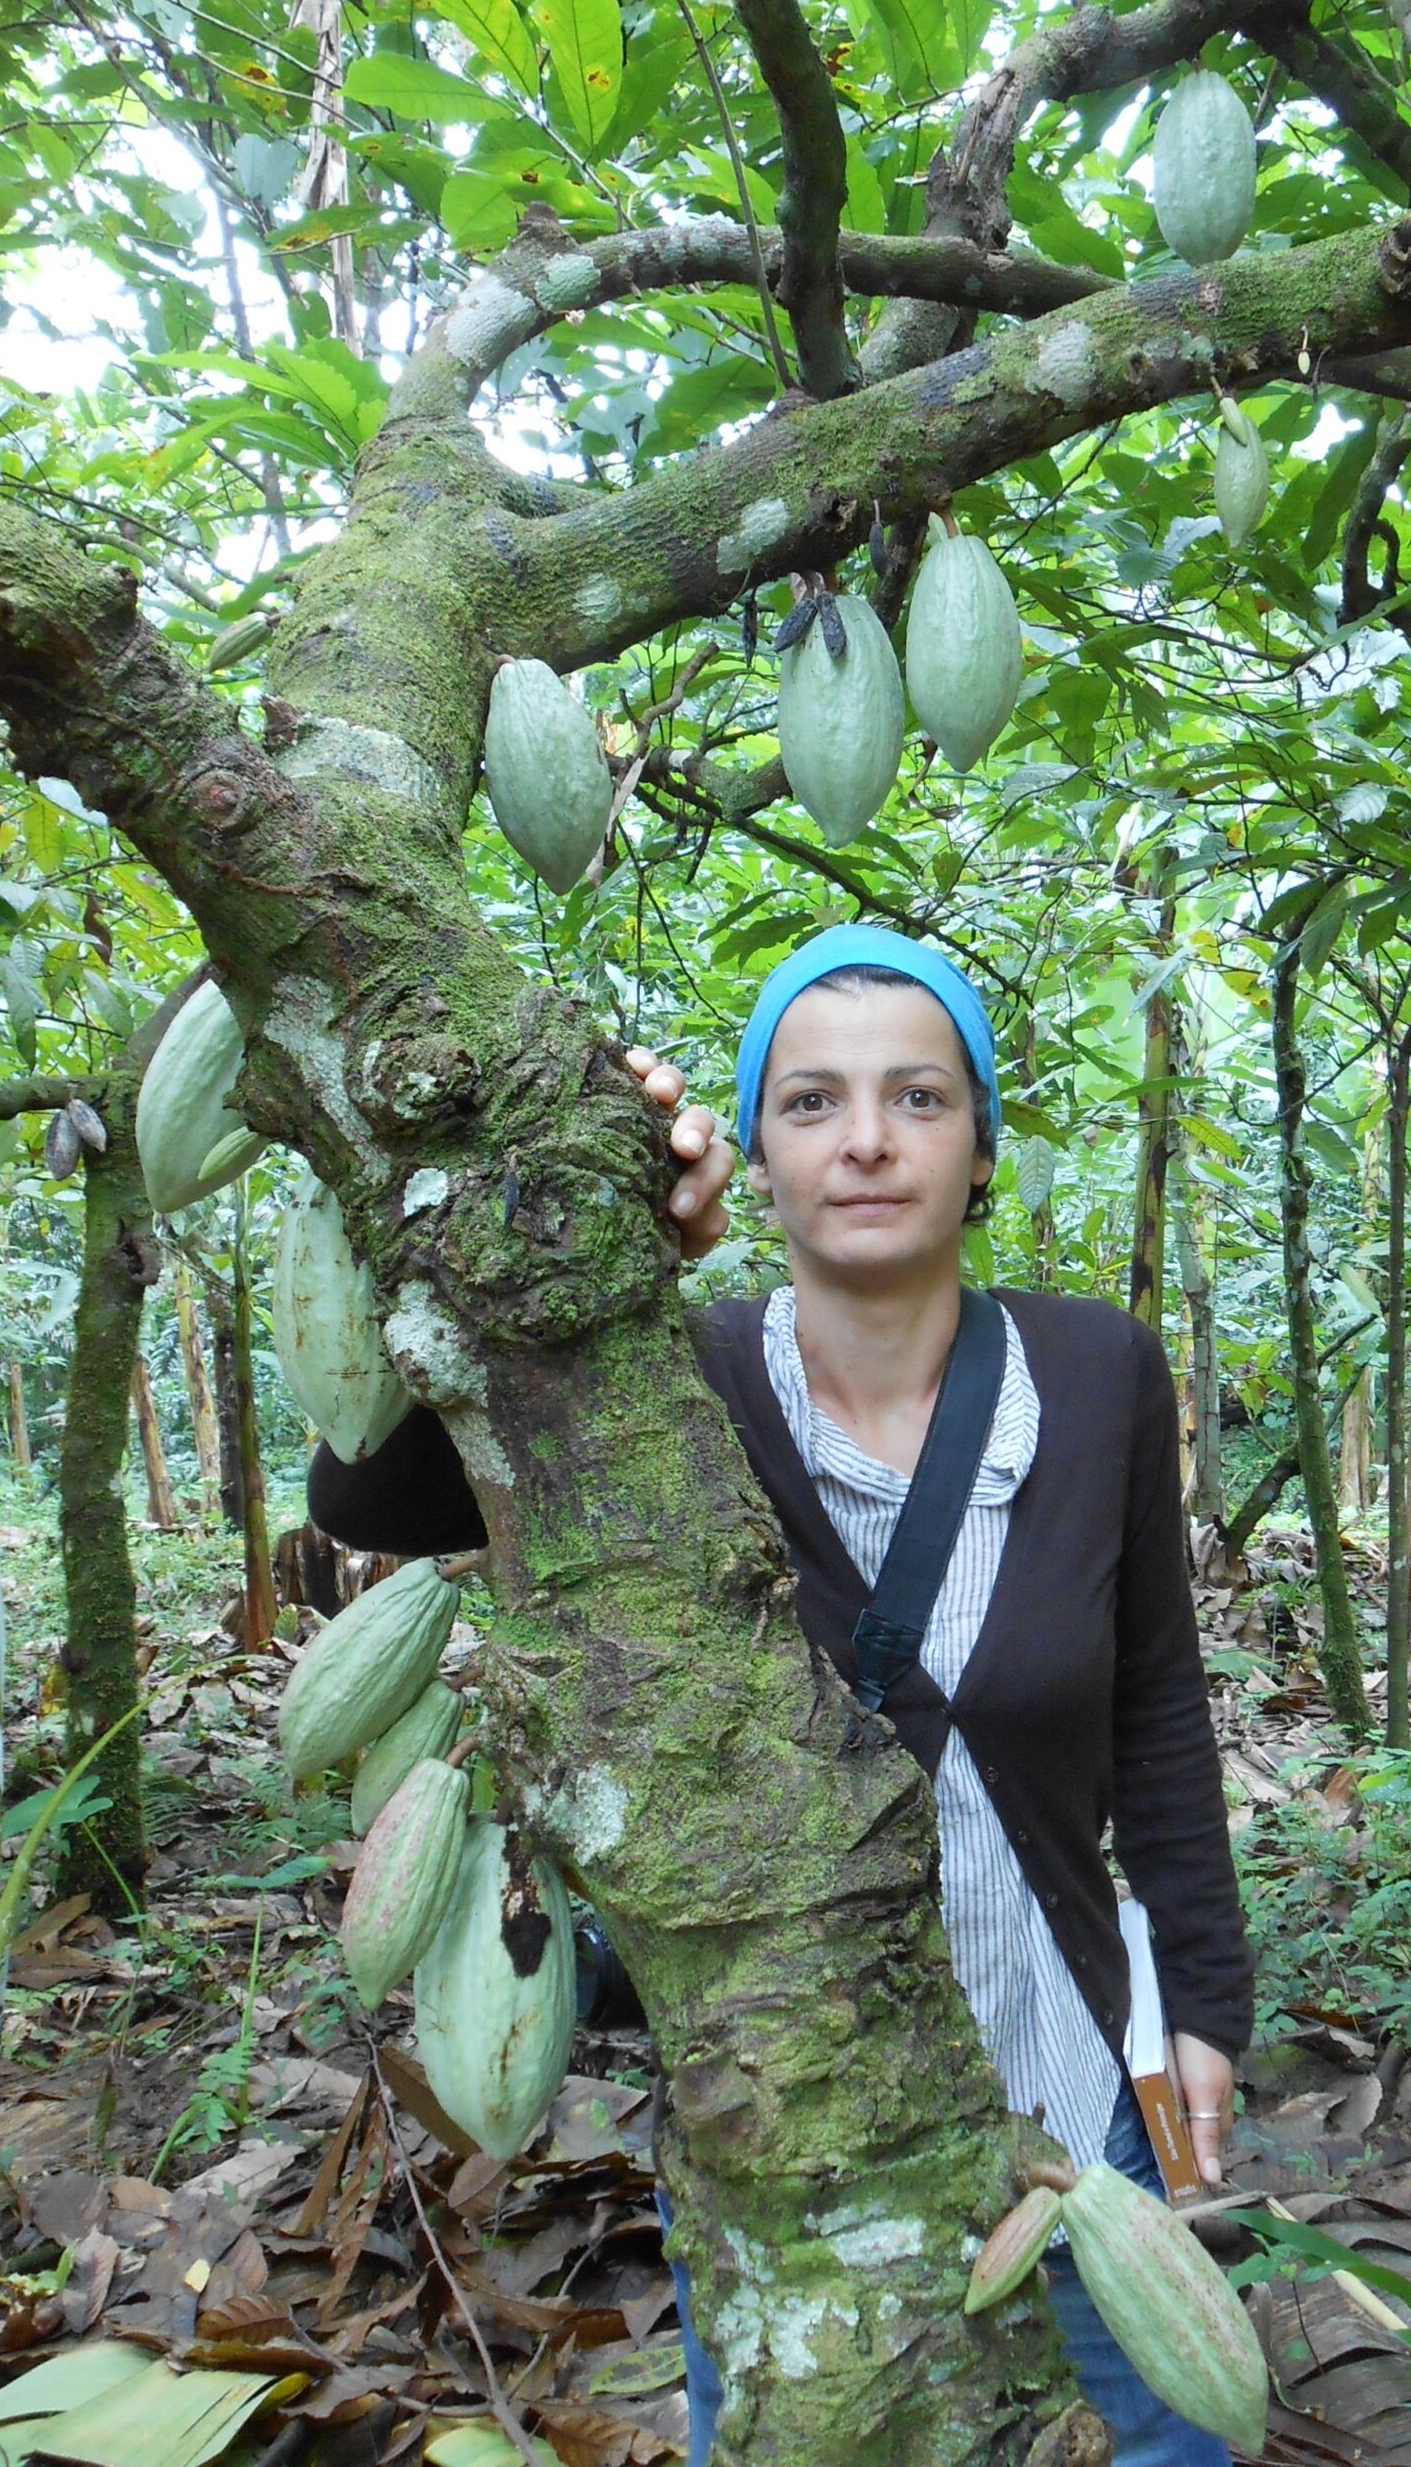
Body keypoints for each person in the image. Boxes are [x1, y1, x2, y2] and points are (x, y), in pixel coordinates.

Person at [309, 926, 1253, 2466]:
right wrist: (599, 1227)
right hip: (779, 2106)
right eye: (811, 1102)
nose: (867, 1141)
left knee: (1147, 2436)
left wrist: (1206, 2001)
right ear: (750, 1152)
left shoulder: (1096, 1377)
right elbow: (372, 1494)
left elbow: (1156, 1710)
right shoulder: (661, 1381)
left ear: (982, 1144)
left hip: (1063, 2058)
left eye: (919, 1098)